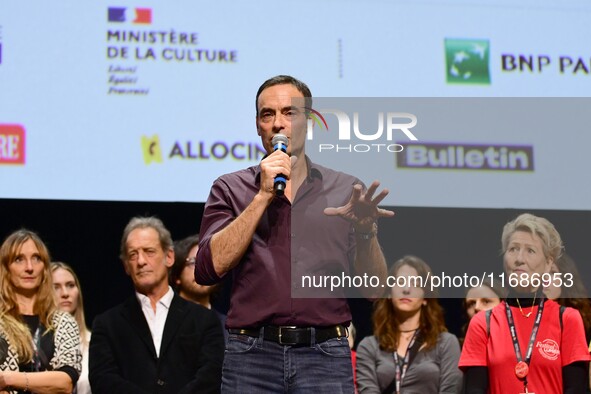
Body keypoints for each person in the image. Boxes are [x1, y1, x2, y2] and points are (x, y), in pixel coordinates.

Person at [195, 75, 394, 393]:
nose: (278, 123)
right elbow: (208, 269)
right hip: (251, 357)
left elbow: (375, 289)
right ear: (258, 126)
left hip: (324, 356)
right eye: (267, 114)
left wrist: (365, 230)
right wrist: (261, 196)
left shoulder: (346, 189)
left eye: (290, 112)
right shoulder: (230, 188)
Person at [89, 216, 224, 394]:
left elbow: (211, 375)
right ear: (126, 266)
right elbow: (102, 379)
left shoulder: (204, 319)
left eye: (149, 251)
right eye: (133, 255)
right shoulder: (107, 324)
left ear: (169, 257)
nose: (141, 261)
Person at [460, 213, 591, 393]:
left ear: (547, 263)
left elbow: (577, 389)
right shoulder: (483, 323)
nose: (519, 259)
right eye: (513, 249)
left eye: (530, 250)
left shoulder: (567, 319)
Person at [356, 255, 462, 393]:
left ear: (425, 298)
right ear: (389, 294)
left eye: (415, 284)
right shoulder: (369, 346)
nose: (406, 289)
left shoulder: (446, 343)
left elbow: (451, 390)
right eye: (400, 282)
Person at [0, 229, 81, 393]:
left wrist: (9, 378)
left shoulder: (62, 322)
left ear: (44, 267)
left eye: (36, 259)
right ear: (6, 268)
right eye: (19, 259)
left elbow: (64, 383)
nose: (29, 267)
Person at [170, 234, 227, 340]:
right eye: (193, 262)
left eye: (208, 262)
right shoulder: (163, 321)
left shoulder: (228, 327)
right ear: (176, 276)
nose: (203, 269)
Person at [51, 261, 92, 394]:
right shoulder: (38, 344)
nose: (65, 293)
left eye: (70, 285)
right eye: (55, 287)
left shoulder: (95, 342)